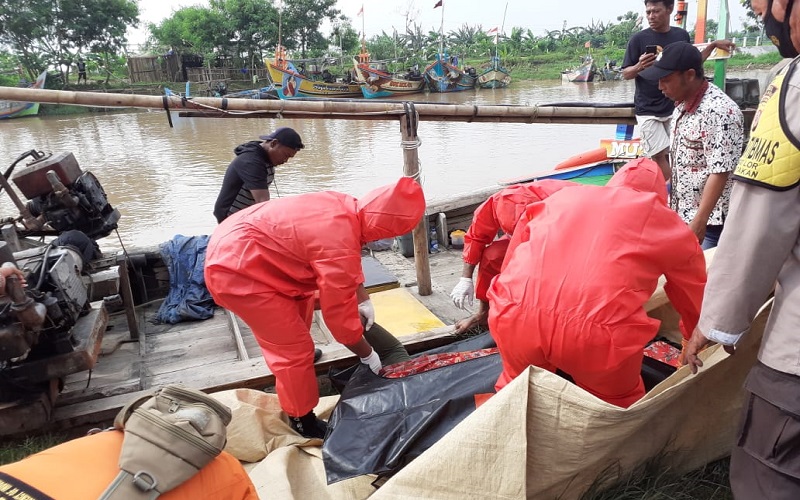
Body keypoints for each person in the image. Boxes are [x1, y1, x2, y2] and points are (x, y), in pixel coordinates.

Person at [683, 0, 800, 497]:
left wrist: (716, 324)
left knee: (766, 475)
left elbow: (758, 224)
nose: (765, 20)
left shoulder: (791, 86)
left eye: (763, 6)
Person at [204, 177, 425, 438]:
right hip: (237, 272)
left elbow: (345, 261)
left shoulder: (344, 205)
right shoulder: (339, 241)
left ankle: (302, 364)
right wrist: (369, 356)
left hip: (252, 249)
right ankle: (301, 419)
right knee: (292, 351)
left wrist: (362, 298)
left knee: (304, 302)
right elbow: (340, 322)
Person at [488, 158, 706, 408]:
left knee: (515, 394)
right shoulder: (665, 220)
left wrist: (501, 301)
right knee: (614, 408)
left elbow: (513, 257)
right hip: (598, 335)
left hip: (514, 313)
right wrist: (692, 338)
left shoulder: (561, 198)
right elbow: (692, 292)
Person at [639, 41, 744, 249]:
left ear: (689, 75)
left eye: (666, 80)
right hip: (683, 212)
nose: (661, 87)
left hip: (712, 222)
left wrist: (699, 222)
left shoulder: (719, 112)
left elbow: (720, 171)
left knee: (705, 278)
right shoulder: (681, 105)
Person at [622, 0, 734, 180]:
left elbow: (692, 63)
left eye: (656, 11)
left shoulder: (681, 35)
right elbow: (625, 74)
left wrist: (712, 45)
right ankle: (672, 189)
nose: (651, 16)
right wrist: (638, 66)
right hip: (647, 107)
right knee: (658, 155)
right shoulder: (638, 39)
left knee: (678, 152)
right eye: (648, 12)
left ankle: (675, 188)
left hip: (676, 105)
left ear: (670, 9)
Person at [449, 180, 577, 334]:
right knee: (493, 256)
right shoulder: (497, 202)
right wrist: (466, 279)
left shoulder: (566, 201)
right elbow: (476, 237)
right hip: (532, 236)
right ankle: (484, 314)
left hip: (568, 235)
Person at [212, 127, 304, 224]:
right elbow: (262, 201)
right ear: (273, 143)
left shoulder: (266, 159)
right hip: (231, 216)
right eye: (285, 155)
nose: (285, 161)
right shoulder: (251, 161)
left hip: (247, 213)